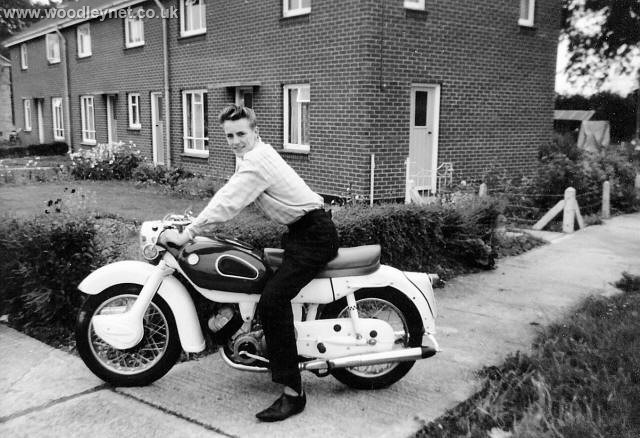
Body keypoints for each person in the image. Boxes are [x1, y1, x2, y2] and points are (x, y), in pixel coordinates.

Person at [164, 104, 339, 422]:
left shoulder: (257, 160)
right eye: (229, 136)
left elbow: (228, 201)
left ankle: (293, 393)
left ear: (256, 132)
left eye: (241, 133)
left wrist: (189, 232)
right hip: (302, 233)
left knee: (273, 301)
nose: (235, 141)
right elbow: (231, 194)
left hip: (313, 236)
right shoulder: (253, 157)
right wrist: (195, 223)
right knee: (261, 285)